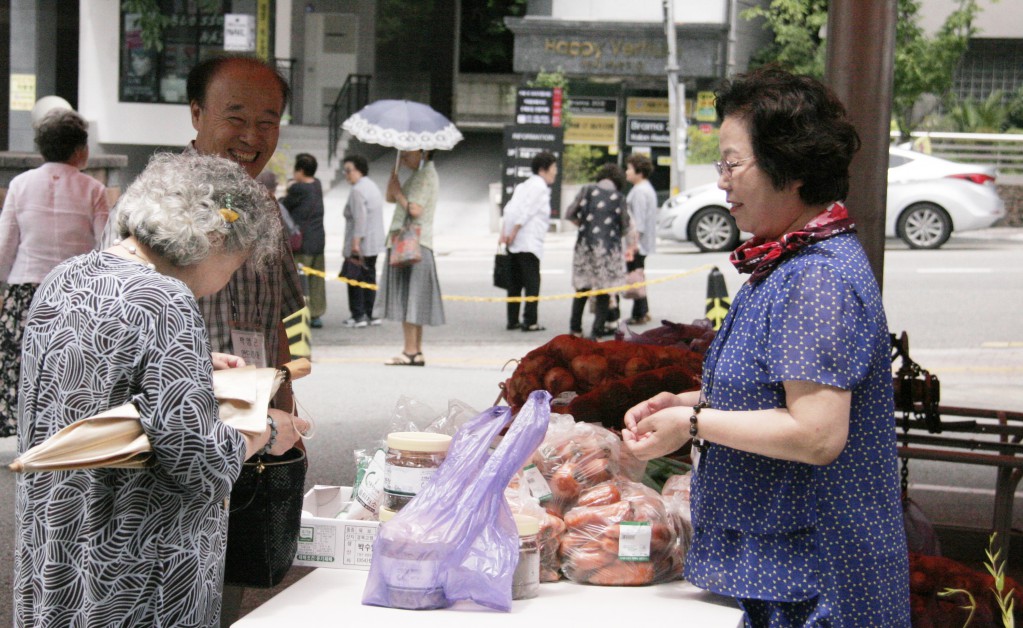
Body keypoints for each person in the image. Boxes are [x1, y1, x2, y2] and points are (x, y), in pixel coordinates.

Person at [622, 67, 910, 626]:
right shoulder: (789, 259)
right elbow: (776, 391)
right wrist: (686, 401)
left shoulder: (815, 277)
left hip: (817, 587)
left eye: (733, 163)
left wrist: (694, 424)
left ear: (792, 168)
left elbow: (817, 433)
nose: (722, 182)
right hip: (783, 571)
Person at [14, 152, 311, 627]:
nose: (227, 279)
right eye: (236, 262)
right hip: (134, 575)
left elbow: (93, 380)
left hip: (57, 554)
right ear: (215, 239)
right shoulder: (167, 300)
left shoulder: (66, 277)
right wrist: (268, 429)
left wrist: (190, 365)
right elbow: (203, 464)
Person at [0, 109, 109, 439]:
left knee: (21, 362)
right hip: (75, 291)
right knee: (69, 364)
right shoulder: (93, 189)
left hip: (25, 289)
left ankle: (23, 429)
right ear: (81, 150)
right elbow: (106, 244)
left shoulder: (20, 184)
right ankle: (63, 428)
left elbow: (6, 243)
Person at [375, 149, 445, 366]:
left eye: (410, 151)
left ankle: (410, 350)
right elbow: (389, 197)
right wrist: (394, 183)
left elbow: (415, 209)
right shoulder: (418, 175)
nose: (404, 154)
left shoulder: (426, 175)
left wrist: (398, 194)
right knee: (413, 297)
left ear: (424, 152)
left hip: (412, 243)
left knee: (409, 297)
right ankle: (415, 350)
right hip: (413, 243)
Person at [567, 163, 630, 340]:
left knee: (582, 290)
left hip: (584, 248)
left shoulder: (586, 190)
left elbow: (569, 213)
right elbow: (625, 227)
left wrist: (585, 225)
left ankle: (575, 330)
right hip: (608, 251)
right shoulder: (619, 197)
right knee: (603, 292)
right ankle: (596, 332)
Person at [499, 150, 558, 332]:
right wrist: (515, 231)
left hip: (515, 242)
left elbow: (509, 209)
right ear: (543, 169)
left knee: (515, 283)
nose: (555, 171)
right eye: (554, 167)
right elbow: (526, 211)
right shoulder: (539, 187)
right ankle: (530, 321)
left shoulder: (523, 186)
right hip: (529, 242)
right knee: (532, 282)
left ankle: (512, 319)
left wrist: (505, 233)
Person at [280, 153, 327, 328]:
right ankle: (316, 314)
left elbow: (283, 204)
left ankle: (300, 313)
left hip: (302, 242)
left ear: (300, 170)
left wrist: (288, 188)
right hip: (318, 240)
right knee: (316, 280)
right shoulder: (318, 185)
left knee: (300, 280)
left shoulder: (298, 189)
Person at [340, 153, 385, 328]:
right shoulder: (371, 186)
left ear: (358, 170)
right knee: (369, 278)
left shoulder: (358, 190)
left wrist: (355, 244)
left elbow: (360, 218)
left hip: (361, 244)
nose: (346, 174)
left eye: (349, 170)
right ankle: (370, 313)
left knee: (354, 279)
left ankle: (358, 315)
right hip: (373, 243)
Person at [624, 152, 657, 326]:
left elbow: (638, 221)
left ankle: (639, 313)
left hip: (637, 243)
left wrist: (632, 244)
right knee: (638, 275)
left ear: (639, 171)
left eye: (629, 168)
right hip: (643, 242)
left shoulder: (639, 192)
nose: (626, 172)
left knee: (635, 276)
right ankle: (642, 311)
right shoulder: (646, 188)